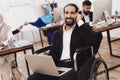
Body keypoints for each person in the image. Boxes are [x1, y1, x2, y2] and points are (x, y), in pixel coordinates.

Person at [28, 3, 97, 80]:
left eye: (72, 13)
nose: (69, 16)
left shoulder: (82, 28)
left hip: (75, 65)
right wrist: (46, 65)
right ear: (64, 14)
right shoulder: (57, 33)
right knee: (32, 78)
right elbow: (53, 52)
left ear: (77, 14)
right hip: (58, 64)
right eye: (67, 13)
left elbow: (92, 42)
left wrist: (80, 21)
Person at [0, 14, 23, 80]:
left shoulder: (7, 27)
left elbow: (10, 39)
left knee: (4, 67)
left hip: (7, 52)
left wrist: (3, 43)